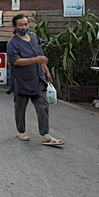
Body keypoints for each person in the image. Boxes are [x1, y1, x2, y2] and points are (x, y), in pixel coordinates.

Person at [7, 14, 64, 146]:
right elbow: (15, 61)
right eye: (20, 25)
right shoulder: (13, 43)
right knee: (20, 107)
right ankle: (20, 131)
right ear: (15, 26)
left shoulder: (33, 37)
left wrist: (46, 69)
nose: (24, 27)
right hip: (21, 80)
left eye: (26, 24)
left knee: (43, 107)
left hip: (38, 78)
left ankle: (45, 135)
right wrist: (36, 60)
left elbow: (40, 54)